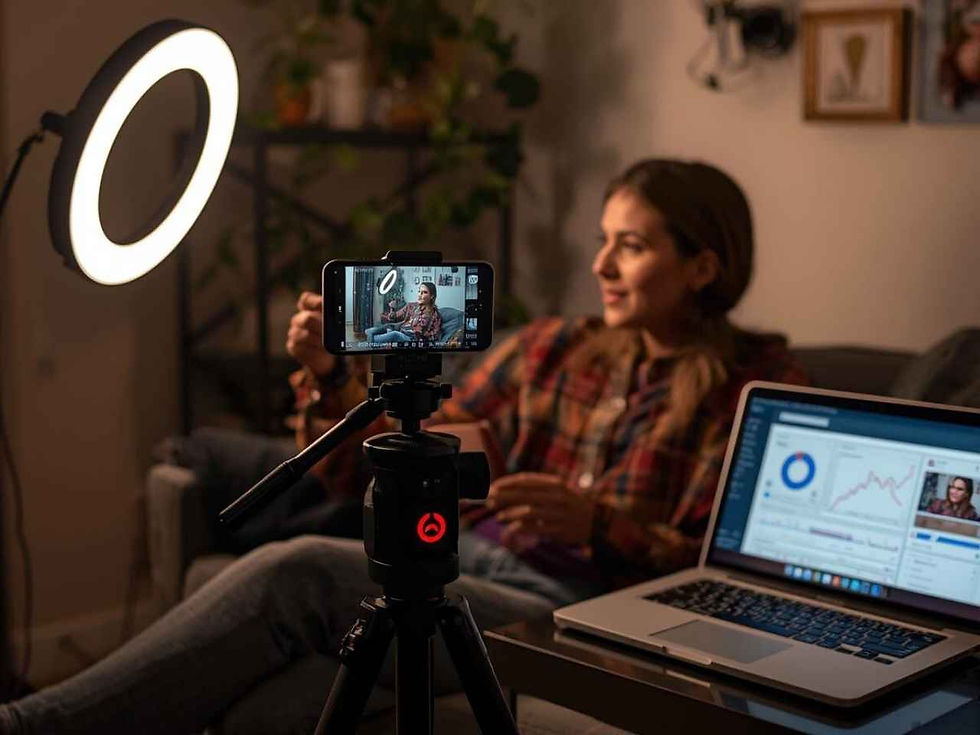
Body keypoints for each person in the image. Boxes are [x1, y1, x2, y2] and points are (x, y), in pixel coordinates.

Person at [0, 159, 808, 734]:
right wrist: (333, 379)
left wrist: (597, 523)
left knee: (300, 570)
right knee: (272, 706)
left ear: (703, 264)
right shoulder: (554, 347)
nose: (599, 263)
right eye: (603, 238)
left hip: (569, 606)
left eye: (630, 245)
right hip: (460, 549)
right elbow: (395, 456)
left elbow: (729, 573)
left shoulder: (753, 386)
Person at [364, 281, 442, 344]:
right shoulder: (411, 306)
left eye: (424, 292)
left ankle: (370, 341)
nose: (420, 295)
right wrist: (392, 308)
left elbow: (431, 335)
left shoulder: (434, 314)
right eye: (419, 291)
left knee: (394, 334)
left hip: (412, 340)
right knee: (380, 329)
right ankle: (370, 337)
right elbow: (393, 317)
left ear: (432, 296)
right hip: (401, 330)